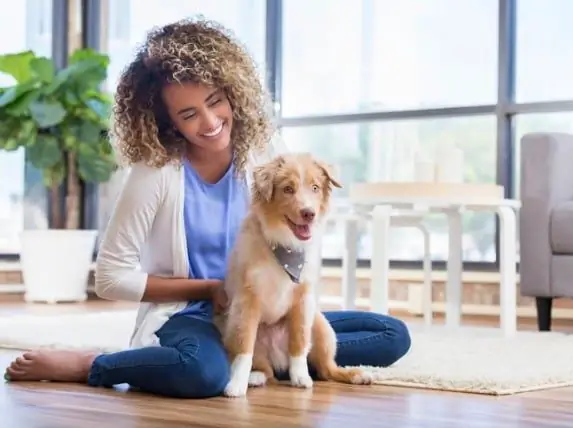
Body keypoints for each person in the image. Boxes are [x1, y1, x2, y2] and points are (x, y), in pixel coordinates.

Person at [3, 17, 411, 398]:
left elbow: (298, 230)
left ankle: (268, 359)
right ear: (168, 123)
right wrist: (211, 289)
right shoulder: (154, 174)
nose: (211, 121)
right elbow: (110, 278)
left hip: (267, 310)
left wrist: (290, 304)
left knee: (391, 335)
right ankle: (98, 363)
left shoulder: (263, 154)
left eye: (215, 101)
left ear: (233, 92)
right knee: (201, 373)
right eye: (189, 114)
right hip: (194, 314)